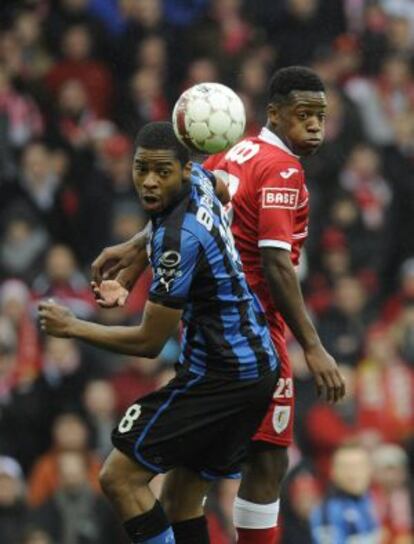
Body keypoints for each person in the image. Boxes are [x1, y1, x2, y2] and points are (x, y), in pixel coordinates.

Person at [91, 66, 346, 543]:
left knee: (188, 482)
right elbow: (275, 264)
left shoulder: (235, 149)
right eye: (304, 115)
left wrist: (133, 249)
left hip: (207, 331)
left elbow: (187, 209)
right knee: (268, 459)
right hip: (252, 333)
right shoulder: (282, 168)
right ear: (275, 114)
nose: (315, 125)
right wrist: (313, 346)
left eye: (321, 116)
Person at [38, 121, 280, 544]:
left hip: (220, 377)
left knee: (119, 477)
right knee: (182, 498)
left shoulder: (174, 242)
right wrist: (134, 250)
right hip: (253, 369)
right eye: (141, 169)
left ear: (183, 171)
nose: (149, 182)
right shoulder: (201, 179)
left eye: (162, 172)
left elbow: (149, 344)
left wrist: (72, 326)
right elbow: (224, 187)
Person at [310, 444, 380, 543]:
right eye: (346, 467)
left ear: (370, 469)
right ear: (333, 472)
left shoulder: (375, 499)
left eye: (358, 466)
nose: (353, 473)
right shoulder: (326, 511)